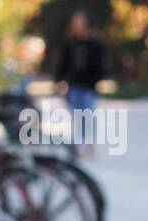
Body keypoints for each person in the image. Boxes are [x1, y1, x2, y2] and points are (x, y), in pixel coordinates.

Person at [54, 11, 108, 150]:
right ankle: (78, 145)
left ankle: (89, 144)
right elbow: (63, 63)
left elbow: (100, 64)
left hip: (89, 86)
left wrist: (96, 80)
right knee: (77, 117)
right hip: (74, 85)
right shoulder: (70, 43)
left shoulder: (95, 43)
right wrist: (59, 80)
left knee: (88, 116)